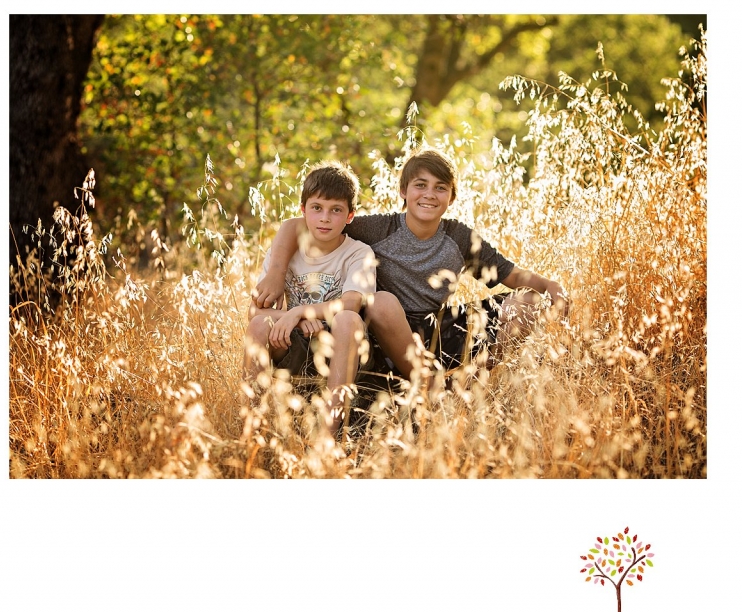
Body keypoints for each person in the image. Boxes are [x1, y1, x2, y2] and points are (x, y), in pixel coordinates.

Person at [253, 148, 567, 383]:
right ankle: (413, 381)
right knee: (382, 302)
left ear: (451, 197)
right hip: (383, 330)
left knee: (528, 304)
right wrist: (276, 274)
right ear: (404, 192)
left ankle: (466, 382)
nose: (429, 194)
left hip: (435, 328)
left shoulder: (458, 236)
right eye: (420, 185)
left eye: (440, 188)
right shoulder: (380, 229)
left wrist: (550, 286)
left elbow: (510, 275)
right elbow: (299, 224)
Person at [243, 160, 376, 435]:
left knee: (349, 319)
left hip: (343, 347)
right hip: (294, 341)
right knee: (258, 326)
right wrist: (298, 318)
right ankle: (253, 428)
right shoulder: (285, 251)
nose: (325, 218)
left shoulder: (358, 253)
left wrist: (300, 311)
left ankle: (329, 432)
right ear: (303, 210)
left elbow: (351, 304)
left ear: (350, 216)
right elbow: (255, 314)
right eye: (317, 208)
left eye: (336, 210)